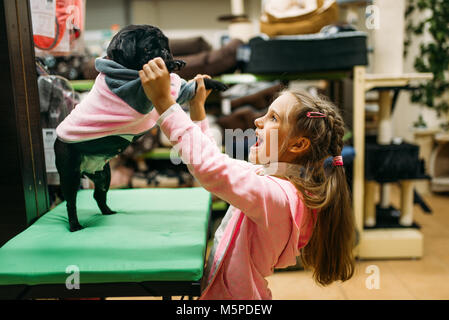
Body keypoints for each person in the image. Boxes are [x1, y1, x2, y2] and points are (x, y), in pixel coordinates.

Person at [139, 57, 355, 300]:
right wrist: (198, 110)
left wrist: (165, 104)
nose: (257, 121)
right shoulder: (272, 182)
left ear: (299, 144)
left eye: (273, 118)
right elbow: (217, 163)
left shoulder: (276, 196)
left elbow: (211, 169)